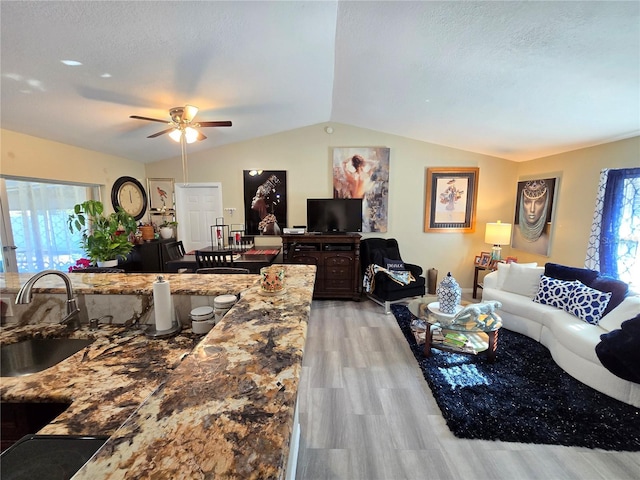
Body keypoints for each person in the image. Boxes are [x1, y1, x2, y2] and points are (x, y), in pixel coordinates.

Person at [512, 179, 551, 255]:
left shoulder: (547, 243)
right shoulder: (512, 233)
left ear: (545, 205)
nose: (532, 209)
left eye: (539, 202)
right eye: (527, 202)